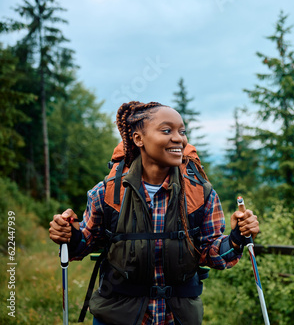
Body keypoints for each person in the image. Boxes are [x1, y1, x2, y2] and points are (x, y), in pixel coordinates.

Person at [49, 101, 260, 325]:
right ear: (138, 139)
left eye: (182, 131)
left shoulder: (200, 194)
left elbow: (211, 253)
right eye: (167, 130)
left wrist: (237, 238)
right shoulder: (108, 192)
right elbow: (85, 243)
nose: (179, 138)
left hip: (176, 318)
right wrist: (69, 235)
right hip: (117, 318)